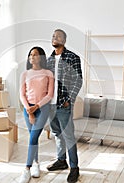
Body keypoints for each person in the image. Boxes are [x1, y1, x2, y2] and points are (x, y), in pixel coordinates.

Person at [46, 29, 83, 183]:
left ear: (64, 40)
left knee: (68, 137)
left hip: (63, 105)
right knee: (57, 133)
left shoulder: (72, 57)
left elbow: (78, 80)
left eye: (59, 36)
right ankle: (61, 161)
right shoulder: (48, 60)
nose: (55, 38)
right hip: (50, 105)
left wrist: (70, 99)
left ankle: (74, 168)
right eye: (53, 35)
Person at [19, 46, 54, 183]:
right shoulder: (25, 74)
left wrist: (37, 107)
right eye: (30, 55)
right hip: (28, 109)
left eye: (35, 54)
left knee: (33, 138)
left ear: (41, 57)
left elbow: (49, 95)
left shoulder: (48, 73)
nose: (32, 57)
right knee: (33, 139)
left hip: (42, 109)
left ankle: (26, 169)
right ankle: (36, 164)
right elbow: (22, 94)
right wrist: (29, 109)